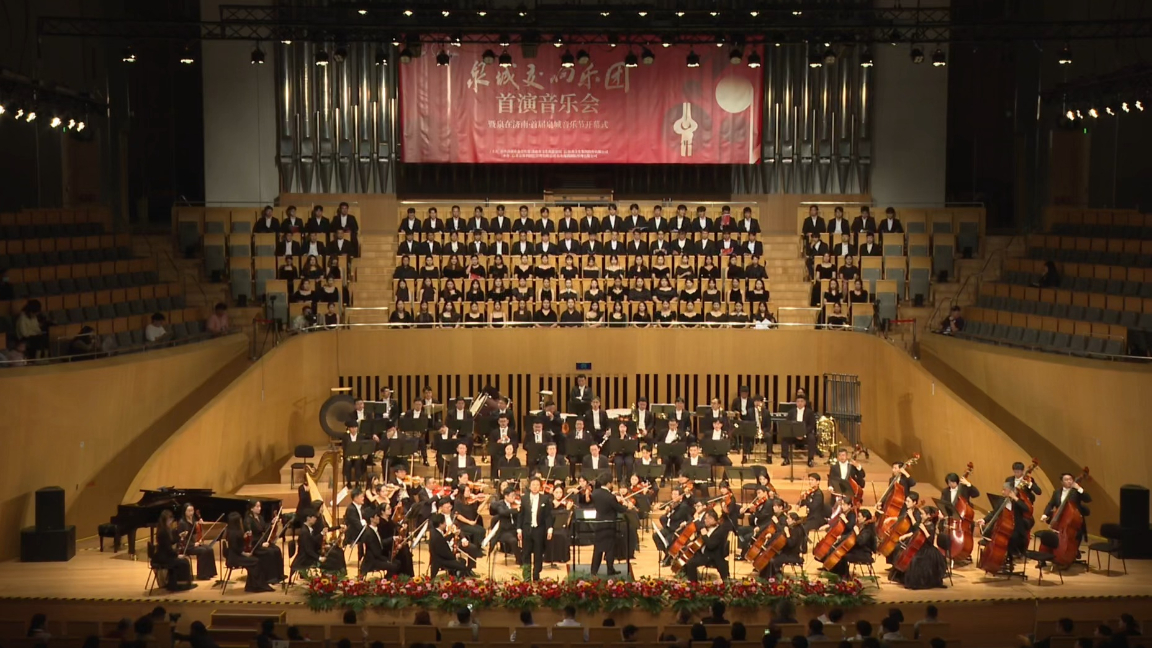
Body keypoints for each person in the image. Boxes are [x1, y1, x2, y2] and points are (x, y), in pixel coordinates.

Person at [224, 511, 274, 592]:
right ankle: (256, 585)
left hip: (236, 555)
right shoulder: (234, 533)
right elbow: (236, 548)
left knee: (254, 561)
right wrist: (245, 554)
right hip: (235, 558)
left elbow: (238, 543)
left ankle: (252, 585)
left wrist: (244, 537)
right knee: (255, 561)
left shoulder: (232, 531)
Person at [517, 477, 555, 581]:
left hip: (539, 529)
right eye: (533, 484)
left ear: (540, 487)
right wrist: (519, 529)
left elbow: (548, 516)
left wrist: (550, 528)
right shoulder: (524, 498)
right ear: (529, 486)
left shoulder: (545, 499)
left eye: (537, 485)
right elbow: (520, 515)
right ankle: (527, 576)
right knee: (526, 553)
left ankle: (536, 575)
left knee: (538, 553)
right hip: (527, 529)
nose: (535, 487)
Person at [590, 473, 628, 575]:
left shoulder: (595, 493)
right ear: (608, 483)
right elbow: (619, 509)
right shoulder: (610, 497)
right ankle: (610, 569)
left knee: (598, 548)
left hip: (599, 523)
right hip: (609, 524)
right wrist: (625, 505)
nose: (612, 484)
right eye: (611, 483)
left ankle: (594, 571)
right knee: (610, 548)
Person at [682, 510, 730, 581]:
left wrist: (704, 535)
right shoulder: (708, 528)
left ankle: (693, 583)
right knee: (685, 556)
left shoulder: (720, 531)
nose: (704, 520)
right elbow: (700, 535)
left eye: (706, 519)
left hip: (710, 556)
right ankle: (688, 578)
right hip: (702, 552)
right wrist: (693, 543)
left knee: (691, 563)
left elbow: (711, 545)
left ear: (712, 519)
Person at [177, 503, 218, 581]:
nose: (191, 513)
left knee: (209, 549)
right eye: (189, 511)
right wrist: (193, 544)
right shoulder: (181, 523)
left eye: (192, 510)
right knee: (203, 551)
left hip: (194, 543)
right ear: (184, 512)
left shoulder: (193, 520)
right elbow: (181, 539)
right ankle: (202, 574)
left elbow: (196, 532)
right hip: (187, 546)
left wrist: (200, 524)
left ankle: (210, 572)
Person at [429, 513, 474, 577]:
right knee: (462, 565)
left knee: (462, 561)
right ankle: (457, 579)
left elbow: (443, 540)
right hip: (441, 560)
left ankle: (454, 575)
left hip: (440, 558)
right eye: (444, 522)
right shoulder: (437, 537)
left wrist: (453, 534)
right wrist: (454, 557)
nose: (446, 524)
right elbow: (444, 552)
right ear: (440, 524)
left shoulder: (435, 532)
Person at [781, 394, 818, 467]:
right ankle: (786, 459)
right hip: (794, 434)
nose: (800, 403)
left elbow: (811, 425)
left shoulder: (810, 412)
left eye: (801, 401)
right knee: (784, 438)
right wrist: (795, 433)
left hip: (805, 434)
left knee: (812, 438)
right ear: (796, 403)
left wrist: (803, 433)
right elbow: (788, 423)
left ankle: (810, 459)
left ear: (805, 402)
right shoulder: (791, 412)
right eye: (798, 401)